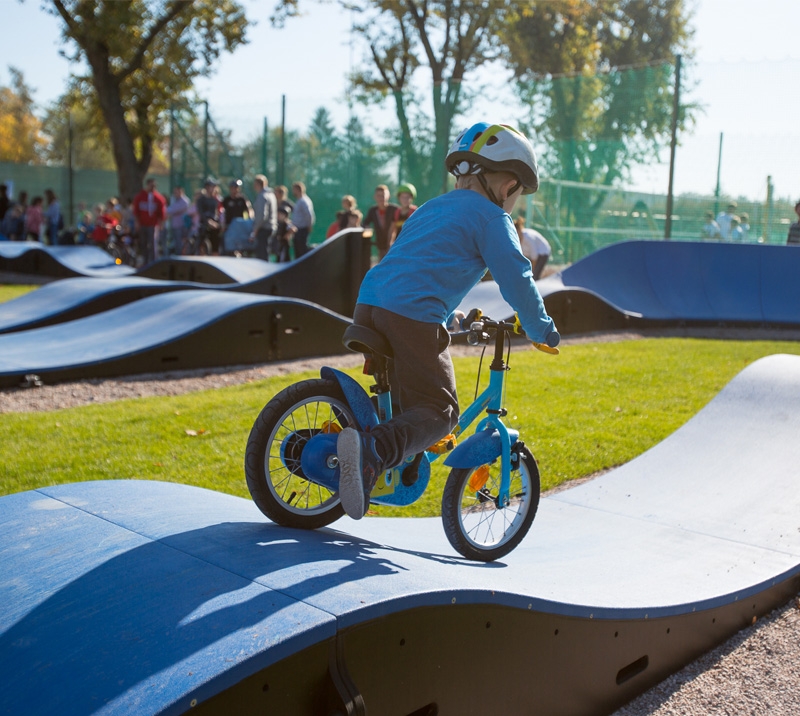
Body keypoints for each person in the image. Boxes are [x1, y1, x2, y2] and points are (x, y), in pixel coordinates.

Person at [335, 121, 560, 520]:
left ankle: (351, 442)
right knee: (441, 411)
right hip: (411, 314)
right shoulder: (492, 219)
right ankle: (374, 452)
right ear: (507, 184)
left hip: (371, 300)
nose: (513, 203)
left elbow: (417, 268)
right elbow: (517, 278)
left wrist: (453, 317)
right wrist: (542, 328)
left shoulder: (432, 207)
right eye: (517, 194)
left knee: (408, 400)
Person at [132, 177, 167, 264]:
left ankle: (153, 262)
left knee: (152, 244)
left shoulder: (158, 198)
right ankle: (145, 261)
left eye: (154, 186)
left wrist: (161, 223)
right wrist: (137, 222)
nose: (152, 187)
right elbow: (136, 211)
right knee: (143, 243)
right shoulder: (140, 197)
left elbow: (161, 213)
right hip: (143, 224)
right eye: (151, 185)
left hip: (153, 225)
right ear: (147, 185)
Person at [362, 184, 399, 261]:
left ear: (388, 196)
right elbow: (365, 223)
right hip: (381, 246)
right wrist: (367, 228)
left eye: (383, 195)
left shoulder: (395, 209)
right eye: (378, 195)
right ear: (374, 197)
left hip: (396, 246)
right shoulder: (373, 210)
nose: (381, 198)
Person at [251, 174, 277, 261]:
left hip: (264, 228)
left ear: (258, 185)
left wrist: (256, 229)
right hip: (271, 227)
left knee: (262, 254)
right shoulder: (271, 195)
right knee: (265, 251)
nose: (254, 187)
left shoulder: (262, 196)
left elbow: (262, 216)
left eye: (255, 185)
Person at [196, 177, 222, 254]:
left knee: (216, 241)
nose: (214, 188)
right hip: (204, 225)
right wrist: (208, 222)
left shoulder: (215, 200)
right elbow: (201, 213)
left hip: (214, 224)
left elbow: (216, 213)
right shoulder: (201, 200)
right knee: (201, 239)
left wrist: (217, 222)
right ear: (207, 187)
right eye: (212, 186)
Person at [291, 182, 315, 258]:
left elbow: (309, 214)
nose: (293, 192)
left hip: (301, 229)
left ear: (298, 190)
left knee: (301, 250)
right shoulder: (299, 200)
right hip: (297, 229)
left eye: (294, 189)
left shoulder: (303, 201)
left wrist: (309, 225)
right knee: (298, 250)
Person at [166, 186, 190, 251]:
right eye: (174, 192)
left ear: (181, 192)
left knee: (179, 243)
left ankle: (180, 257)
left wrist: (164, 210)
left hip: (181, 225)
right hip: (175, 225)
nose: (175, 194)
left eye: (176, 192)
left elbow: (172, 210)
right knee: (176, 242)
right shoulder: (175, 200)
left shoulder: (184, 201)